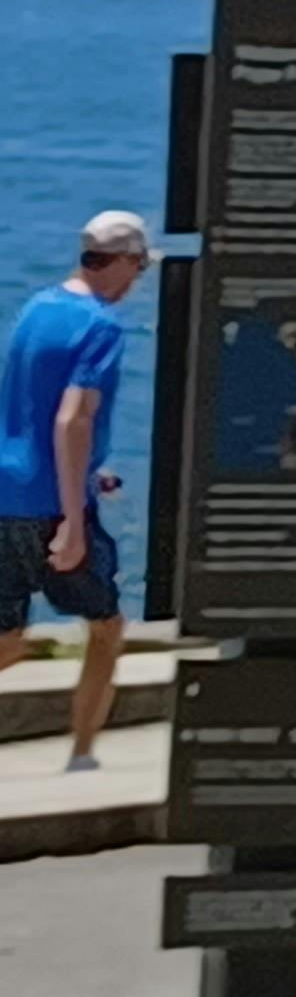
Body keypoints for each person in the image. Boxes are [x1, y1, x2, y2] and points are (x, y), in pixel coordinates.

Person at [0, 211, 149, 770]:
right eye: (138, 268)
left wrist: (90, 475)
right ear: (123, 261)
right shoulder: (99, 326)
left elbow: (26, 406)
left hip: (5, 487)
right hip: (48, 502)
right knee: (107, 628)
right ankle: (83, 756)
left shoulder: (36, 309)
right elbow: (70, 421)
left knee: (9, 640)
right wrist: (71, 518)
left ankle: (84, 753)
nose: (137, 282)